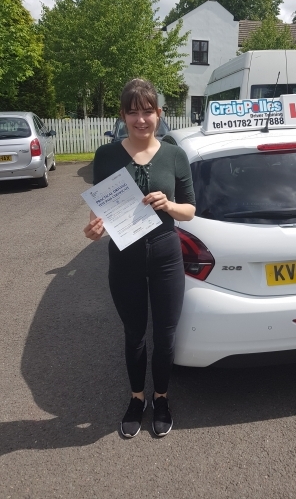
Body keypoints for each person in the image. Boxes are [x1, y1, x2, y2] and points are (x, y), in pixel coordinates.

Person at [84, 78, 195, 438]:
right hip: (125, 256)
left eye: (148, 111)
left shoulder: (175, 154)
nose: (141, 119)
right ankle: (137, 399)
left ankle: (160, 398)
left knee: (165, 336)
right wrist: (93, 230)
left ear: (159, 113)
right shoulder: (107, 155)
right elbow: (98, 213)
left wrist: (169, 204)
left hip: (165, 254)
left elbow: (190, 210)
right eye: (133, 112)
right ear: (123, 116)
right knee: (134, 334)